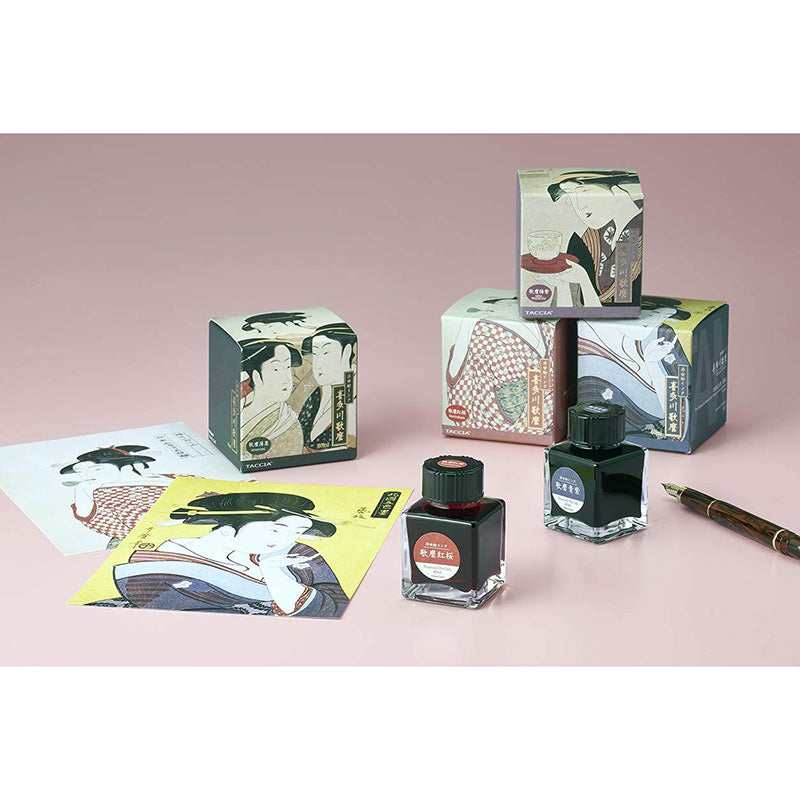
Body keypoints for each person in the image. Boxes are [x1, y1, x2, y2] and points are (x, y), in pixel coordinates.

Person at [112, 491, 348, 617]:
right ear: (226, 530)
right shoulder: (166, 566)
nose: (286, 539)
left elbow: (332, 604)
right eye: (277, 529)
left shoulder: (290, 554)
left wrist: (273, 572)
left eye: (297, 532)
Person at [578, 297, 691, 436]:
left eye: (664, 317)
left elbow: (684, 398)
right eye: (653, 315)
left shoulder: (661, 337)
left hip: (651, 434)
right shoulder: (585, 343)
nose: (655, 322)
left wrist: (652, 365)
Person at [445, 294, 553, 433]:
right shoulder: (483, 332)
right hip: (503, 413)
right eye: (496, 306)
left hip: (543, 404)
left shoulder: (546, 327)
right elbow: (459, 365)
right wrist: (468, 322)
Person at [547, 170, 643, 302]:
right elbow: (573, 305)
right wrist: (561, 285)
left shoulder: (638, 235)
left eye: (585, 193)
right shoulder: (588, 239)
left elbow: (625, 304)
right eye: (571, 198)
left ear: (616, 192)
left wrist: (583, 280)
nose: (579, 206)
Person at [59, 445, 172, 548]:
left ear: (126, 468)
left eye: (97, 469)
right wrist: (81, 494)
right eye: (80, 471)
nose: (87, 475)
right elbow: (104, 523)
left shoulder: (161, 480)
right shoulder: (100, 492)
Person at [298, 323, 357, 452]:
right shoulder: (318, 394)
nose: (317, 365)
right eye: (315, 354)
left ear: (346, 352)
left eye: (326, 353)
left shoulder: (353, 392)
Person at [240, 339, 303, 458]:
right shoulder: (241, 404)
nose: (286, 379)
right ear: (256, 377)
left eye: (287, 367)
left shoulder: (287, 426)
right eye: (276, 369)